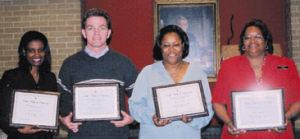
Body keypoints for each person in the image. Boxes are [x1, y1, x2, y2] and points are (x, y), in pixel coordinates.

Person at [57, 8, 139, 139]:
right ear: (83, 33)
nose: (96, 33)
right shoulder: (69, 64)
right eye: (90, 28)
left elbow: (140, 96)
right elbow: (62, 99)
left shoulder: (124, 63)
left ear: (108, 33)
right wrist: (63, 118)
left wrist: (132, 118)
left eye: (101, 28)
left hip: (116, 135)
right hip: (80, 136)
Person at [212, 19, 300, 139]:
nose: (252, 41)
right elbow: (217, 102)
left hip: (276, 135)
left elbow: (298, 101)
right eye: (247, 37)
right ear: (243, 43)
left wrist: (285, 118)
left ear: (266, 41)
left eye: (257, 36)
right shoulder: (228, 66)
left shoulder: (286, 64)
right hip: (240, 134)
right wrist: (229, 122)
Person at [128, 25, 214, 139]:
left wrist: (192, 120)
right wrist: (152, 117)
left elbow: (208, 109)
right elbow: (134, 106)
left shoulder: (197, 73)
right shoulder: (147, 73)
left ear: (183, 46)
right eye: (166, 45)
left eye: (176, 45)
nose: (171, 50)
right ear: (160, 47)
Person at [0, 31, 57, 139]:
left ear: (45, 52)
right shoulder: (11, 76)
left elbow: (54, 108)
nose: (37, 55)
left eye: (40, 50)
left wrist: (54, 121)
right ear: (24, 51)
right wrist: (18, 130)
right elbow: (2, 113)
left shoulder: (50, 77)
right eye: (31, 50)